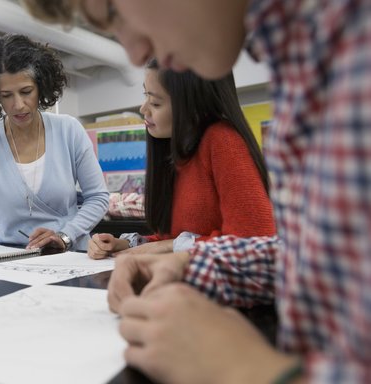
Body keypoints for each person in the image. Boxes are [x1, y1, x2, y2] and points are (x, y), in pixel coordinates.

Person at [22, 0, 371, 383]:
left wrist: (249, 369)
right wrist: (189, 261)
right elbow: (305, 257)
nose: (138, 52)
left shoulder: (352, 48)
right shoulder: (305, 63)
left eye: (115, 15)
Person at [0, 34, 109, 265]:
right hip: (12, 260)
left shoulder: (69, 130)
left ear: (41, 87)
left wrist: (65, 235)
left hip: (71, 256)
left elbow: (97, 198)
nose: (18, 105)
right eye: (6, 96)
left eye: (26, 91)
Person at [88, 59, 275, 260]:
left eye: (155, 103)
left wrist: (168, 246)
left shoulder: (223, 140)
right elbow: (177, 237)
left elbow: (254, 242)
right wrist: (125, 244)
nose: (144, 109)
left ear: (192, 105)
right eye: (146, 96)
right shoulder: (178, 149)